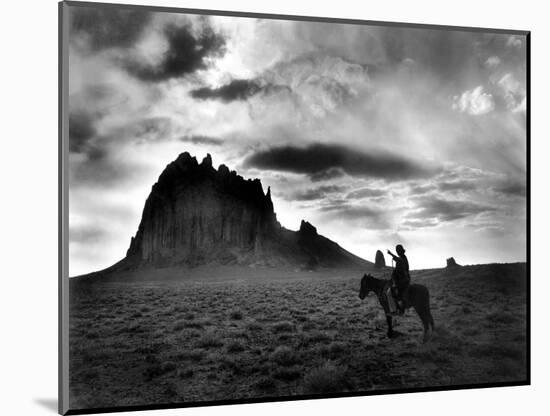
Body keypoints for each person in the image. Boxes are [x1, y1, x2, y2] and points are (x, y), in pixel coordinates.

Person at [387, 244, 411, 314]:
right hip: (405, 279)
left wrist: (390, 254)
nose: (397, 252)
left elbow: (398, 260)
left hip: (402, 280)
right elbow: (398, 260)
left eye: (397, 251)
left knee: (389, 292)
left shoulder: (401, 259)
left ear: (400, 251)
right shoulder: (403, 257)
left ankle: (394, 310)